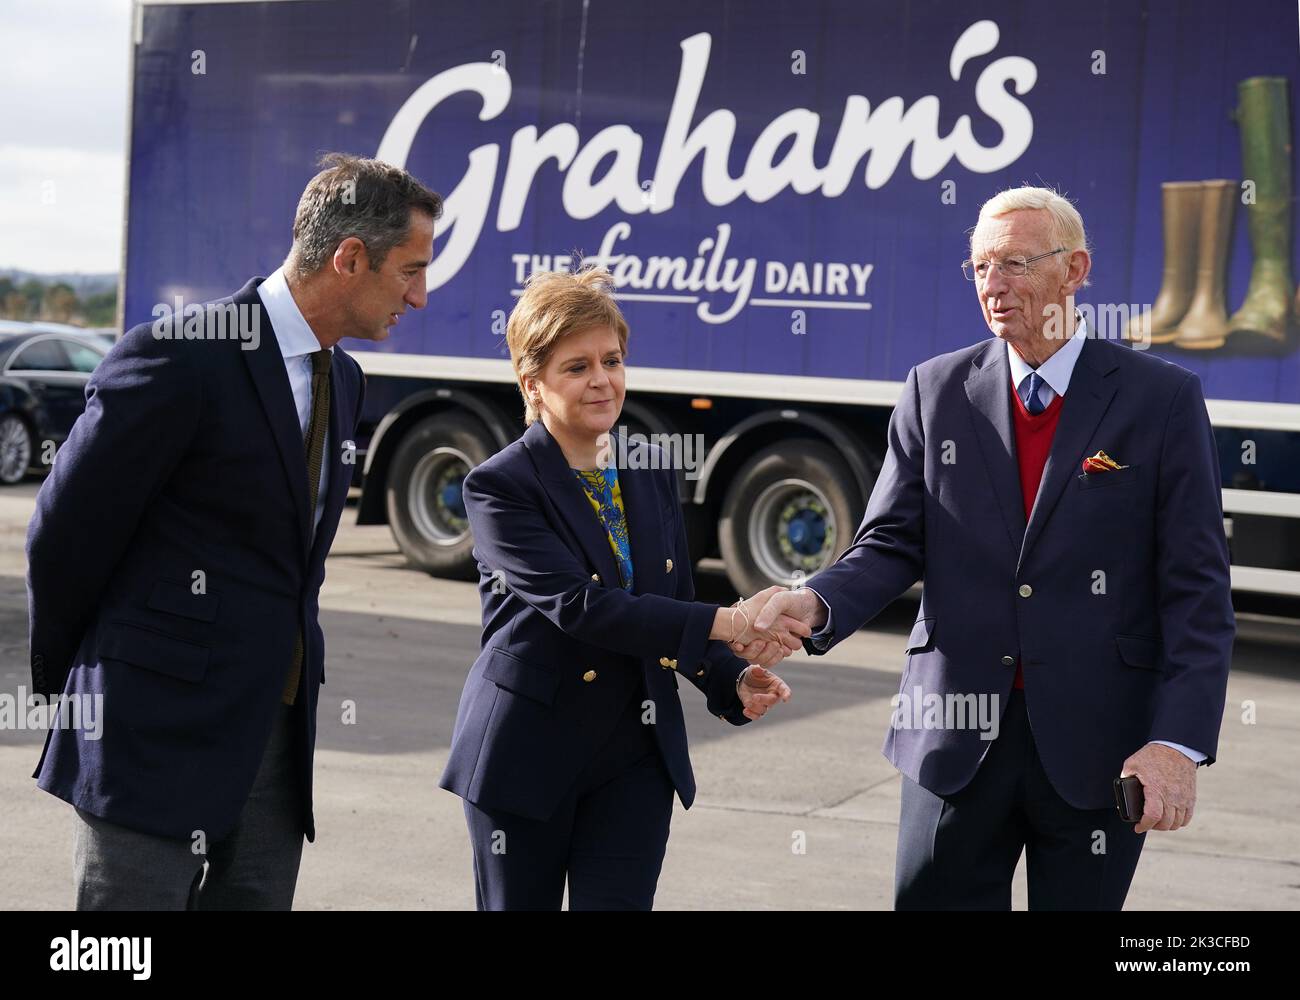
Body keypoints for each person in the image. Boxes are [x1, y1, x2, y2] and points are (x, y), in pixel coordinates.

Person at [753, 186, 1234, 910]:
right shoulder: (935, 388)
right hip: (950, 739)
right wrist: (815, 601)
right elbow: (890, 543)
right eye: (979, 267)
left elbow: (1197, 591)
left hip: (1099, 747)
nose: (993, 285)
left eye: (1014, 263)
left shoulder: (1159, 400)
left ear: (1075, 271)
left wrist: (1178, 743)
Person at [27, 153, 442, 909]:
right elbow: (63, 536)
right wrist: (92, 688)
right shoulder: (178, 356)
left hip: (275, 748)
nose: (419, 296)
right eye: (410, 271)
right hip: (148, 739)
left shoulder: (342, 380)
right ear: (350, 259)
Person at [439, 266, 802, 910]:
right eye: (576, 367)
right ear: (533, 383)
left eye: (611, 359)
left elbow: (674, 602)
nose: (602, 380)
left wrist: (728, 677)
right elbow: (582, 607)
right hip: (528, 753)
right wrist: (731, 621)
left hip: (636, 754)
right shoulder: (499, 487)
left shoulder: (647, 467)